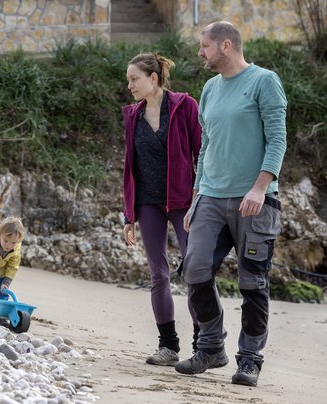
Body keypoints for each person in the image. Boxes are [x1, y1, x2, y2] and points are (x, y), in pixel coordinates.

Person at [174, 21, 287, 388]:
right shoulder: (209, 89)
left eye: (203, 46)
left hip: (255, 201)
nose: (200, 52)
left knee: (252, 282)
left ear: (225, 45)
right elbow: (206, 147)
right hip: (210, 197)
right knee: (194, 269)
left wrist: (259, 188)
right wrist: (196, 198)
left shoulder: (263, 81)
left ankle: (250, 360)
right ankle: (210, 348)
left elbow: (277, 139)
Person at [122, 52, 202, 366]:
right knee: (158, 275)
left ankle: (203, 345)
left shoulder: (185, 106)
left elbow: (202, 154)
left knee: (197, 274)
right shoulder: (132, 115)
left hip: (185, 203)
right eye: (128, 80)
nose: (129, 86)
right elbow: (130, 166)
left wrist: (201, 200)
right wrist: (129, 215)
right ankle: (168, 346)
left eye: (134, 79)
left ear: (153, 78)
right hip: (147, 204)